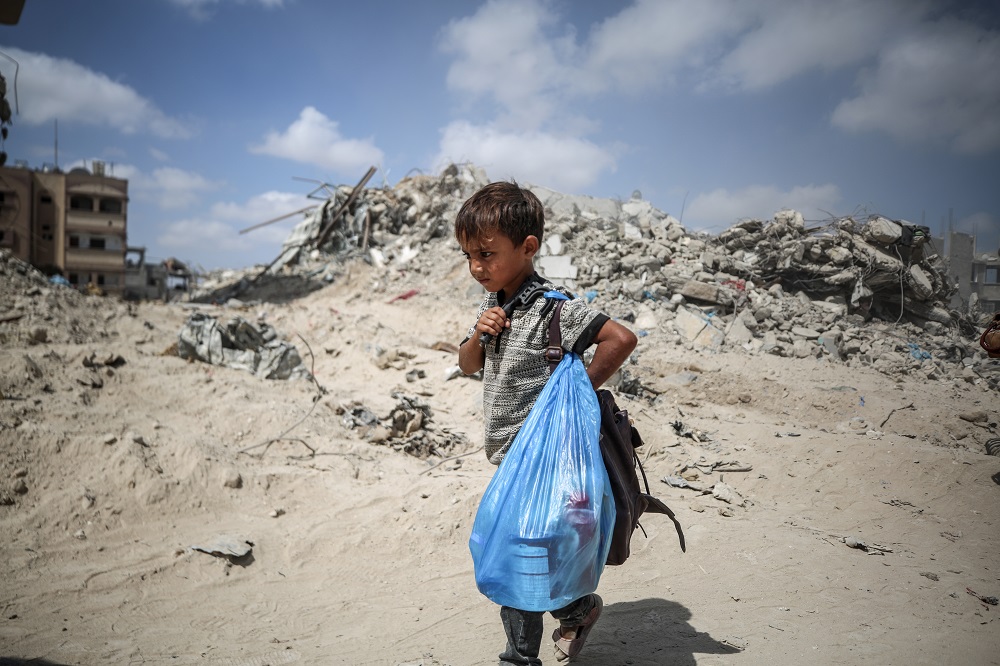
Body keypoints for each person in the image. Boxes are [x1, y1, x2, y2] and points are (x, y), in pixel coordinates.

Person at [456, 181, 637, 665]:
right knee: (534, 555)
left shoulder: (555, 308)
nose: (477, 266)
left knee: (520, 559)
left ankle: (519, 658)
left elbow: (620, 338)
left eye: (487, 254)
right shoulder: (494, 304)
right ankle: (578, 608)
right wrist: (478, 332)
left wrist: (570, 399)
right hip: (511, 461)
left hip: (549, 462)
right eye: (469, 255)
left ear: (528, 247)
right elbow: (468, 365)